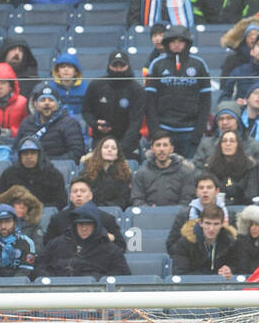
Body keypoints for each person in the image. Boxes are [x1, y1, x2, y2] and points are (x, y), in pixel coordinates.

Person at [144, 25, 211, 160]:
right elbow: (150, 102)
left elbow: (206, 101)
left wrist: (198, 131)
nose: (176, 45)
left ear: (187, 43)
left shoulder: (199, 64)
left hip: (190, 131)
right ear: (167, 43)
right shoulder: (156, 65)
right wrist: (155, 131)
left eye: (180, 41)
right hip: (164, 130)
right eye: (173, 41)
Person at [81, 50, 144, 158]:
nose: (118, 69)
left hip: (128, 144)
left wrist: (120, 149)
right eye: (115, 65)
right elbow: (86, 111)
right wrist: (96, 124)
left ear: (128, 66)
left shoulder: (137, 89)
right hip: (101, 141)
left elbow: (135, 123)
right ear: (109, 66)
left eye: (122, 65)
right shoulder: (96, 85)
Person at [41, 205, 129, 280]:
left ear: (95, 225)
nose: (84, 228)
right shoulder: (57, 244)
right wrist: (52, 279)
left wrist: (96, 279)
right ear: (74, 226)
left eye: (88, 224)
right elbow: (40, 267)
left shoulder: (109, 249)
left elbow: (122, 274)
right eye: (80, 224)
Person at [16, 86, 86, 163]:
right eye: (42, 100)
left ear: (58, 104)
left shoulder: (69, 123)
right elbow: (16, 149)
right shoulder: (27, 123)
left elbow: (76, 153)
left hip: (58, 168)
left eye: (51, 100)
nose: (47, 103)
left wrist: (47, 163)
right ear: (36, 104)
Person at [131, 132, 198, 207]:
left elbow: (187, 200)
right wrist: (150, 211)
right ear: (152, 149)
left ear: (171, 149)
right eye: (158, 145)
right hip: (149, 215)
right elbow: (137, 200)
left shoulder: (185, 172)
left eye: (165, 145)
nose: (161, 149)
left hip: (176, 216)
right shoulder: (141, 173)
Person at [171, 205, 239, 277]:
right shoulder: (184, 244)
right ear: (201, 223)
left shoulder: (231, 243)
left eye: (216, 224)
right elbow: (180, 274)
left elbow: (239, 268)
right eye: (207, 223)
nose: (211, 229)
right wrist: (212, 277)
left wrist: (230, 271)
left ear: (222, 224)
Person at [0, 204, 38, 280]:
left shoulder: (27, 243)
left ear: (15, 223)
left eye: (7, 221)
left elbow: (25, 271)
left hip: (19, 286)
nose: (3, 226)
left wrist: (11, 287)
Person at [80, 136, 132, 209]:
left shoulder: (124, 174)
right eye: (106, 147)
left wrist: (105, 207)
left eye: (113, 148)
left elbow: (123, 200)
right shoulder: (86, 173)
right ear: (99, 151)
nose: (109, 150)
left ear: (117, 155)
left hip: (114, 211)